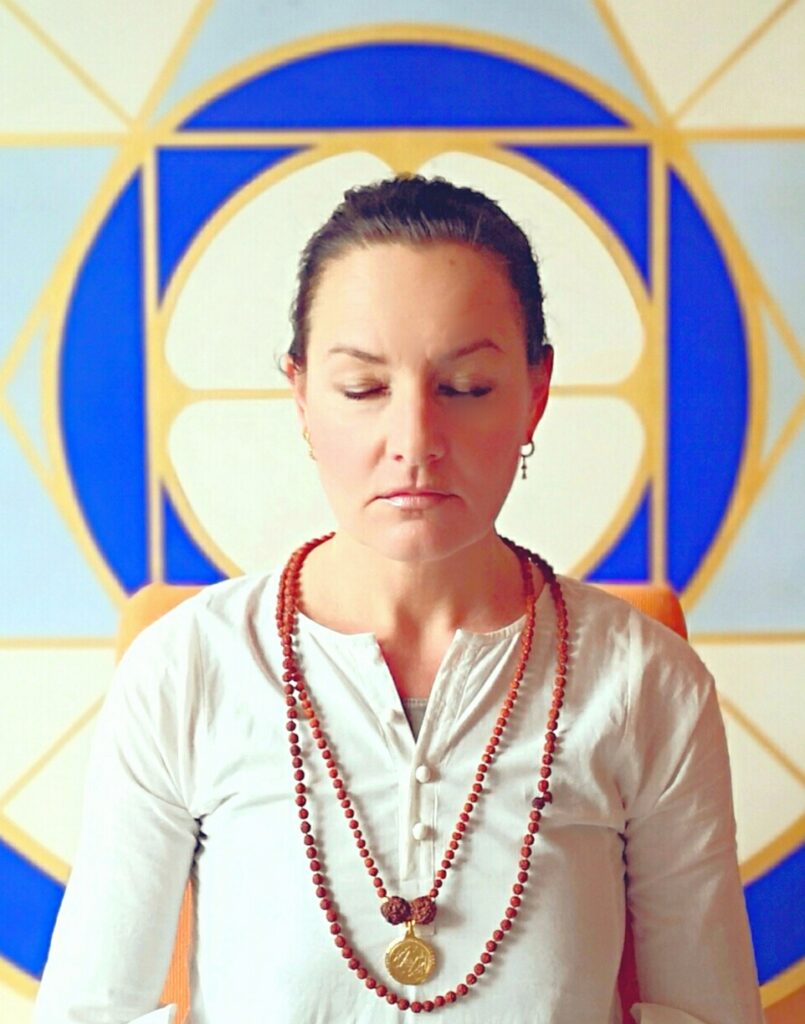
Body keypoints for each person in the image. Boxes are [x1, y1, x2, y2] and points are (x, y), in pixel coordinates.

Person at [35, 176, 764, 1023]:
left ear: (535, 394)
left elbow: (706, 1013)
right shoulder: (187, 669)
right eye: (362, 388)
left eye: (466, 387)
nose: (414, 442)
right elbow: (89, 1013)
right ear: (300, 394)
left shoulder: (644, 683)